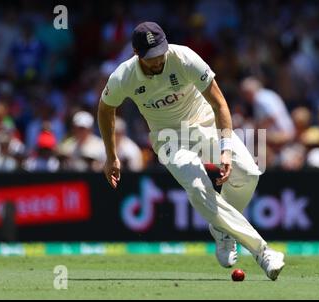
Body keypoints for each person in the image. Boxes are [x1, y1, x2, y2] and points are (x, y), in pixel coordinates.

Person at [97, 22, 285, 280]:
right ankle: (262, 252)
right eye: (151, 58)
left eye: (160, 52)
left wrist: (225, 149)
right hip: (168, 140)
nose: (158, 60)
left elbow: (219, 104)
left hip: (205, 123)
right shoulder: (123, 76)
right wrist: (111, 155)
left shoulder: (184, 57)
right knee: (198, 188)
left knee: (249, 175)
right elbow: (105, 108)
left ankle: (222, 230)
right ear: (136, 53)